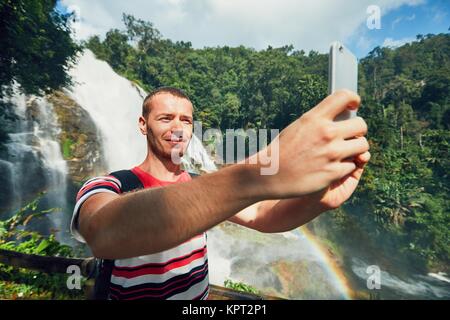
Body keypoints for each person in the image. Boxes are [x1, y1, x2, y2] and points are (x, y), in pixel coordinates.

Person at [70, 86, 370, 300]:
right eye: (165, 118)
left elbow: (262, 216)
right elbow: (103, 233)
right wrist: (260, 172)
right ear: (142, 124)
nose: (178, 128)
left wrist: (317, 201)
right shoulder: (109, 185)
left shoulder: (204, 185)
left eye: (186, 120)